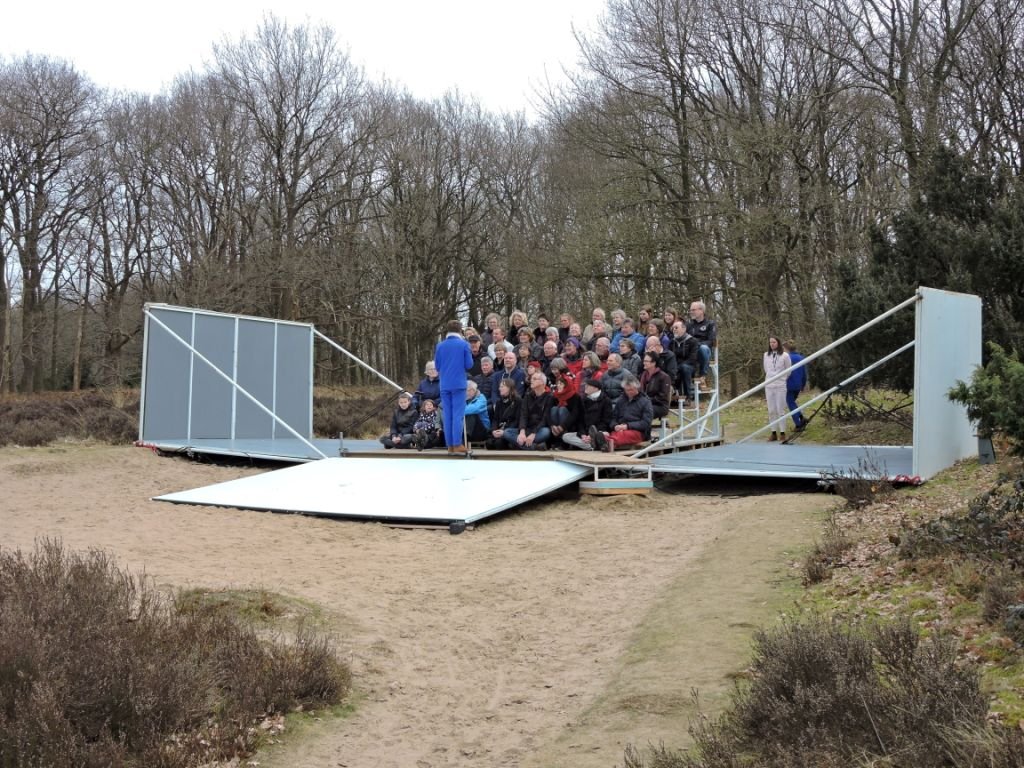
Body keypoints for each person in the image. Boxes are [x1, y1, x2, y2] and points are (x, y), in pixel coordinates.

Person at [435, 319, 474, 454]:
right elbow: (469, 364)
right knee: (457, 414)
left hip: (444, 384)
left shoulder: (440, 345)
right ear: (460, 330)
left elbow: (437, 366)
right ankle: (457, 443)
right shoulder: (464, 344)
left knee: (447, 414)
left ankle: (450, 445)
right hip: (458, 384)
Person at [589, 375, 653, 453]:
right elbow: (613, 417)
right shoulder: (621, 400)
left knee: (623, 435)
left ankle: (603, 442)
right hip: (620, 430)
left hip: (638, 432)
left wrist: (627, 426)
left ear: (637, 388)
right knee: (617, 433)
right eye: (626, 390)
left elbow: (646, 423)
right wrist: (615, 425)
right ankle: (603, 442)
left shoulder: (645, 402)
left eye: (631, 390)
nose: (629, 392)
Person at [562, 378, 615, 450]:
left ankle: (592, 444)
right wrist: (583, 434)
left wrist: (592, 434)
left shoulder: (606, 400)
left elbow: (606, 421)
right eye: (585, 385)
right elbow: (580, 421)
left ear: (595, 388)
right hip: (586, 432)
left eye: (588, 386)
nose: (585, 387)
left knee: (603, 434)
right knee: (566, 436)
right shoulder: (583, 400)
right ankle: (592, 446)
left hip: (599, 431)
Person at [763, 335, 792, 442]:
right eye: (770, 342)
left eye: (774, 342)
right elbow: (766, 369)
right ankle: (773, 432)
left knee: (780, 409)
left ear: (778, 343)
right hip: (769, 385)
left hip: (780, 385)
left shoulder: (785, 355)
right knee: (771, 410)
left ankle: (782, 433)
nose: (772, 344)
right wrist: (770, 378)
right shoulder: (766, 355)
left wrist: (782, 379)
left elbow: (788, 370)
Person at [515, 371, 553, 450]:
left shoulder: (549, 397)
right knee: (507, 432)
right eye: (531, 378)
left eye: (534, 379)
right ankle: (534, 446)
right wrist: (522, 432)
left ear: (542, 382)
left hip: (539, 429)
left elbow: (545, 419)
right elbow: (523, 415)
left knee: (546, 432)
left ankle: (521, 445)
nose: (531, 380)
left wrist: (533, 433)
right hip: (527, 429)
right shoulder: (527, 396)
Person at [548, 359, 581, 446]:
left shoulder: (574, 396)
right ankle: (556, 438)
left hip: (569, 422)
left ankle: (564, 440)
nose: (558, 386)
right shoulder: (555, 394)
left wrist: (562, 426)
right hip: (557, 424)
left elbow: (575, 413)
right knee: (554, 409)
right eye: (552, 369)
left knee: (562, 409)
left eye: (555, 369)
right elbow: (547, 410)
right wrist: (552, 425)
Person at [687, 301, 718, 387]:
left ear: (701, 311)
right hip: (691, 352)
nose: (691, 312)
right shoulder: (689, 325)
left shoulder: (710, 324)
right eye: (690, 310)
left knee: (703, 348)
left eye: (693, 310)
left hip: (704, 352)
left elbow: (711, 341)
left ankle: (702, 376)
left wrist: (697, 344)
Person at [669, 321, 700, 404]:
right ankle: (673, 396)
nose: (674, 330)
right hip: (676, 367)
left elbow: (693, 358)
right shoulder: (672, 342)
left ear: (684, 329)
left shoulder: (693, 341)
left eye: (676, 328)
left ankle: (688, 396)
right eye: (673, 328)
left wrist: (678, 367)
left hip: (690, 367)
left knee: (684, 368)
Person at [488, 378, 522, 449]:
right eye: (499, 387)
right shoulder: (499, 402)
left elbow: (517, 420)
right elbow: (495, 419)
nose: (499, 389)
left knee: (499, 444)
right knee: (489, 444)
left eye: (502, 387)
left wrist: (504, 431)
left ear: (509, 388)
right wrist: (494, 430)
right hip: (500, 428)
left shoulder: (518, 401)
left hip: (510, 430)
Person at [640, 351, 673, 419]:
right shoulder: (643, 375)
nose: (644, 363)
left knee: (642, 411)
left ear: (654, 363)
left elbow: (662, 397)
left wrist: (646, 401)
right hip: (645, 403)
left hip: (660, 406)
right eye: (644, 361)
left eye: (646, 361)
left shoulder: (664, 377)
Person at [783, 340, 808, 431]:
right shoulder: (801, 358)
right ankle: (801, 418)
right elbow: (804, 374)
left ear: (786, 349)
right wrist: (803, 385)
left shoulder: (786, 358)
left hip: (789, 385)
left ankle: (798, 424)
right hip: (798, 385)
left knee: (790, 404)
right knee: (792, 402)